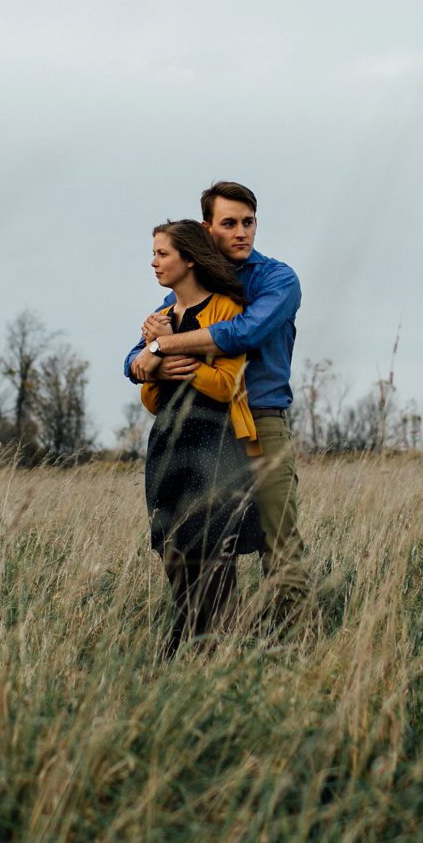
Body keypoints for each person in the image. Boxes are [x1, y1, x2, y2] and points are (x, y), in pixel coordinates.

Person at [125, 181, 310, 625]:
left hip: (258, 422)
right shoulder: (184, 293)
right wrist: (152, 355)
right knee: (199, 541)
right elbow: (133, 358)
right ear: (208, 230)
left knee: (276, 537)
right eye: (229, 224)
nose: (242, 232)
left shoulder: (276, 279)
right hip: (199, 429)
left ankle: (300, 647)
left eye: (249, 223)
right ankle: (216, 639)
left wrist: (166, 346)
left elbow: (243, 333)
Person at [136, 219, 266, 658]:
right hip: (168, 443)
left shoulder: (225, 309)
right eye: (153, 253)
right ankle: (195, 644)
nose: (153, 262)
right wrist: (155, 361)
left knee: (213, 553)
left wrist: (175, 349)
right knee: (171, 548)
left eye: (162, 253)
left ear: (189, 259)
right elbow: (151, 396)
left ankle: (213, 653)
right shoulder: (159, 319)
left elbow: (228, 385)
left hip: (214, 442)